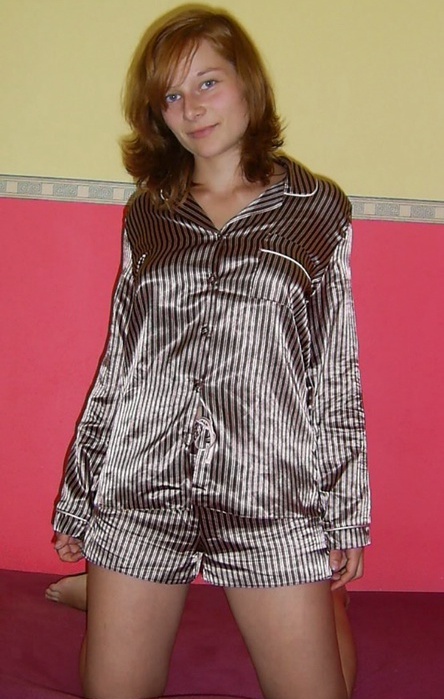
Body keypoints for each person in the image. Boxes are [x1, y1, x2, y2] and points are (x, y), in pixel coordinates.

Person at [51, 6, 370, 699]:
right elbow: (120, 361)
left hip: (270, 495)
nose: (191, 109)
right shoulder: (149, 212)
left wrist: (344, 512)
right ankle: (103, 584)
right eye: (171, 95)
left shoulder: (319, 208)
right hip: (142, 490)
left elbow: (333, 371)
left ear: (247, 83)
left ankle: (328, 603)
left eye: (207, 82)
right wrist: (80, 496)